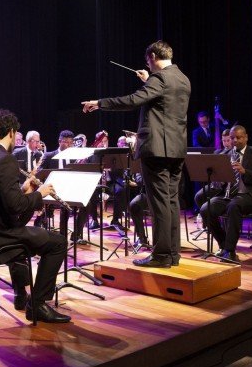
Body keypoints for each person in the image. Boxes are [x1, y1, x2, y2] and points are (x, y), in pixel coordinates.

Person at [82, 40, 191, 268]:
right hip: (176, 149)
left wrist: (99, 103)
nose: (148, 66)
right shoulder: (182, 78)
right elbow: (162, 101)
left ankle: (161, 256)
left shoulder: (159, 78)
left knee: (159, 203)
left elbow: (133, 100)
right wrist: (148, 81)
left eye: (148, 62)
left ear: (152, 56)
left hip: (157, 149)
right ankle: (172, 254)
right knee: (171, 202)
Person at [0, 109, 70, 323]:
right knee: (58, 242)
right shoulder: (5, 159)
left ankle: (23, 296)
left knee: (28, 233)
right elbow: (16, 207)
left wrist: (23, 190)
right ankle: (37, 304)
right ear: (11, 132)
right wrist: (39, 195)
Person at [199, 125, 252, 261]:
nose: (235, 141)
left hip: (249, 196)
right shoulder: (225, 155)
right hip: (228, 195)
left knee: (234, 206)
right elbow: (219, 181)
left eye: (238, 137)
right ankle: (223, 245)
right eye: (232, 138)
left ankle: (230, 251)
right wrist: (218, 179)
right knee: (206, 209)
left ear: (246, 138)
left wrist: (245, 172)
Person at [193, 129, 233, 211]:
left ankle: (213, 215)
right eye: (224, 141)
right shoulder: (217, 152)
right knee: (198, 197)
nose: (226, 143)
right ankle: (210, 219)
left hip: (228, 185)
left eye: (228, 140)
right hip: (216, 184)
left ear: (232, 140)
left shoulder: (235, 152)